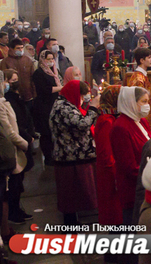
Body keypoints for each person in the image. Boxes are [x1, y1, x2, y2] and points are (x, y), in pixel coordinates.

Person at [49, 80, 99, 225]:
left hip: (71, 155)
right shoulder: (63, 108)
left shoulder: (65, 104)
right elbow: (82, 125)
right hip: (69, 156)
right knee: (70, 194)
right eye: (81, 97)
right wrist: (93, 109)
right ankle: (70, 225)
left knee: (72, 195)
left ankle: (72, 221)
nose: (82, 100)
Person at [110, 86, 151, 225]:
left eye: (148, 101)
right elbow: (128, 166)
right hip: (133, 188)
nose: (147, 106)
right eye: (143, 102)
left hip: (146, 183)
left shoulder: (141, 121)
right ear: (131, 102)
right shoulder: (120, 127)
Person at [0, 71, 30, 228]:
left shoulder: (4, 101)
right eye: (4, 81)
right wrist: (24, 143)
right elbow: (8, 131)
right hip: (11, 149)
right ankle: (12, 214)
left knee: (18, 184)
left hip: (16, 147)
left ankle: (17, 209)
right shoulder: (0, 105)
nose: (5, 84)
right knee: (11, 186)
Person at [93, 85, 123, 226]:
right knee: (114, 211)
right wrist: (115, 173)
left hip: (112, 170)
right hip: (110, 173)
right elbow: (106, 153)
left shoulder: (110, 116)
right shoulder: (107, 121)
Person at [32, 50, 62, 165]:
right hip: (44, 105)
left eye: (52, 59)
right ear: (42, 60)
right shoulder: (38, 73)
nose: (50, 61)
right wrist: (60, 88)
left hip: (54, 103)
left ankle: (55, 153)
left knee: (54, 131)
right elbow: (44, 89)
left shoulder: (54, 71)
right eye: (48, 59)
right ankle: (48, 157)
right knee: (46, 132)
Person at [128, 48, 151, 134]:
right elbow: (138, 101)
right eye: (149, 57)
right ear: (141, 60)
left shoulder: (141, 75)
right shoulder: (138, 78)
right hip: (143, 116)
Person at [0, 38, 36, 110]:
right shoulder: (5, 62)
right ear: (12, 49)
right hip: (13, 96)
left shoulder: (27, 60)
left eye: (22, 48)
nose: (20, 50)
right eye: (18, 48)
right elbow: (4, 79)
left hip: (28, 94)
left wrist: (34, 93)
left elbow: (32, 77)